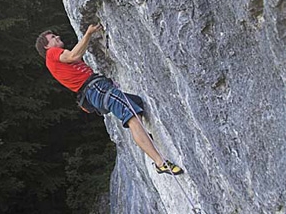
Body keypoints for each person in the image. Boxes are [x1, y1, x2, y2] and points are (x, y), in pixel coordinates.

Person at [35, 24, 183, 175]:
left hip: (95, 90)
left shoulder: (55, 60)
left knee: (136, 102)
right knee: (130, 115)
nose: (57, 37)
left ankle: (144, 137)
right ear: (46, 46)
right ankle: (160, 162)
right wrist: (88, 33)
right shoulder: (52, 53)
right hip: (95, 89)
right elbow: (74, 55)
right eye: (53, 38)